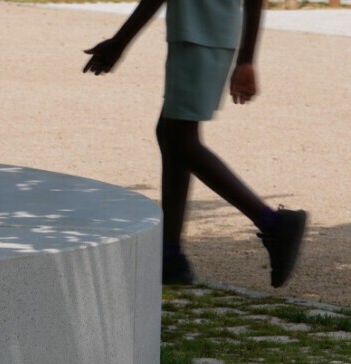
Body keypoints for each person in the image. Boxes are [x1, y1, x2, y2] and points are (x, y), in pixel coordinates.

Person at [83, 0, 306, 288]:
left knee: (179, 137)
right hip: (201, 34)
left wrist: (120, 41)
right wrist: (246, 58)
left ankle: (272, 222)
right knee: (171, 134)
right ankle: (170, 256)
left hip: (200, 36)